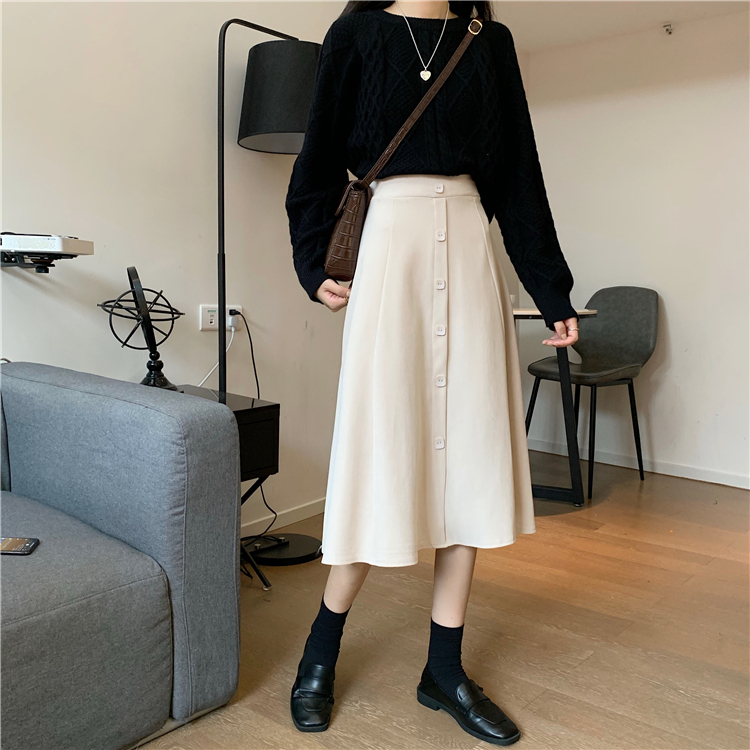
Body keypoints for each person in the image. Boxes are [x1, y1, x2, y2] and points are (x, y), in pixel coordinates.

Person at [284, 0, 579, 744]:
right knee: (379, 451)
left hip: (471, 254)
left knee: (469, 461)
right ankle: (319, 653)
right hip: (391, 251)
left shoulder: (489, 42)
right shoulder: (356, 35)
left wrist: (551, 290)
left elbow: (519, 172)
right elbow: (317, 160)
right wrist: (314, 263)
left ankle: (443, 670)